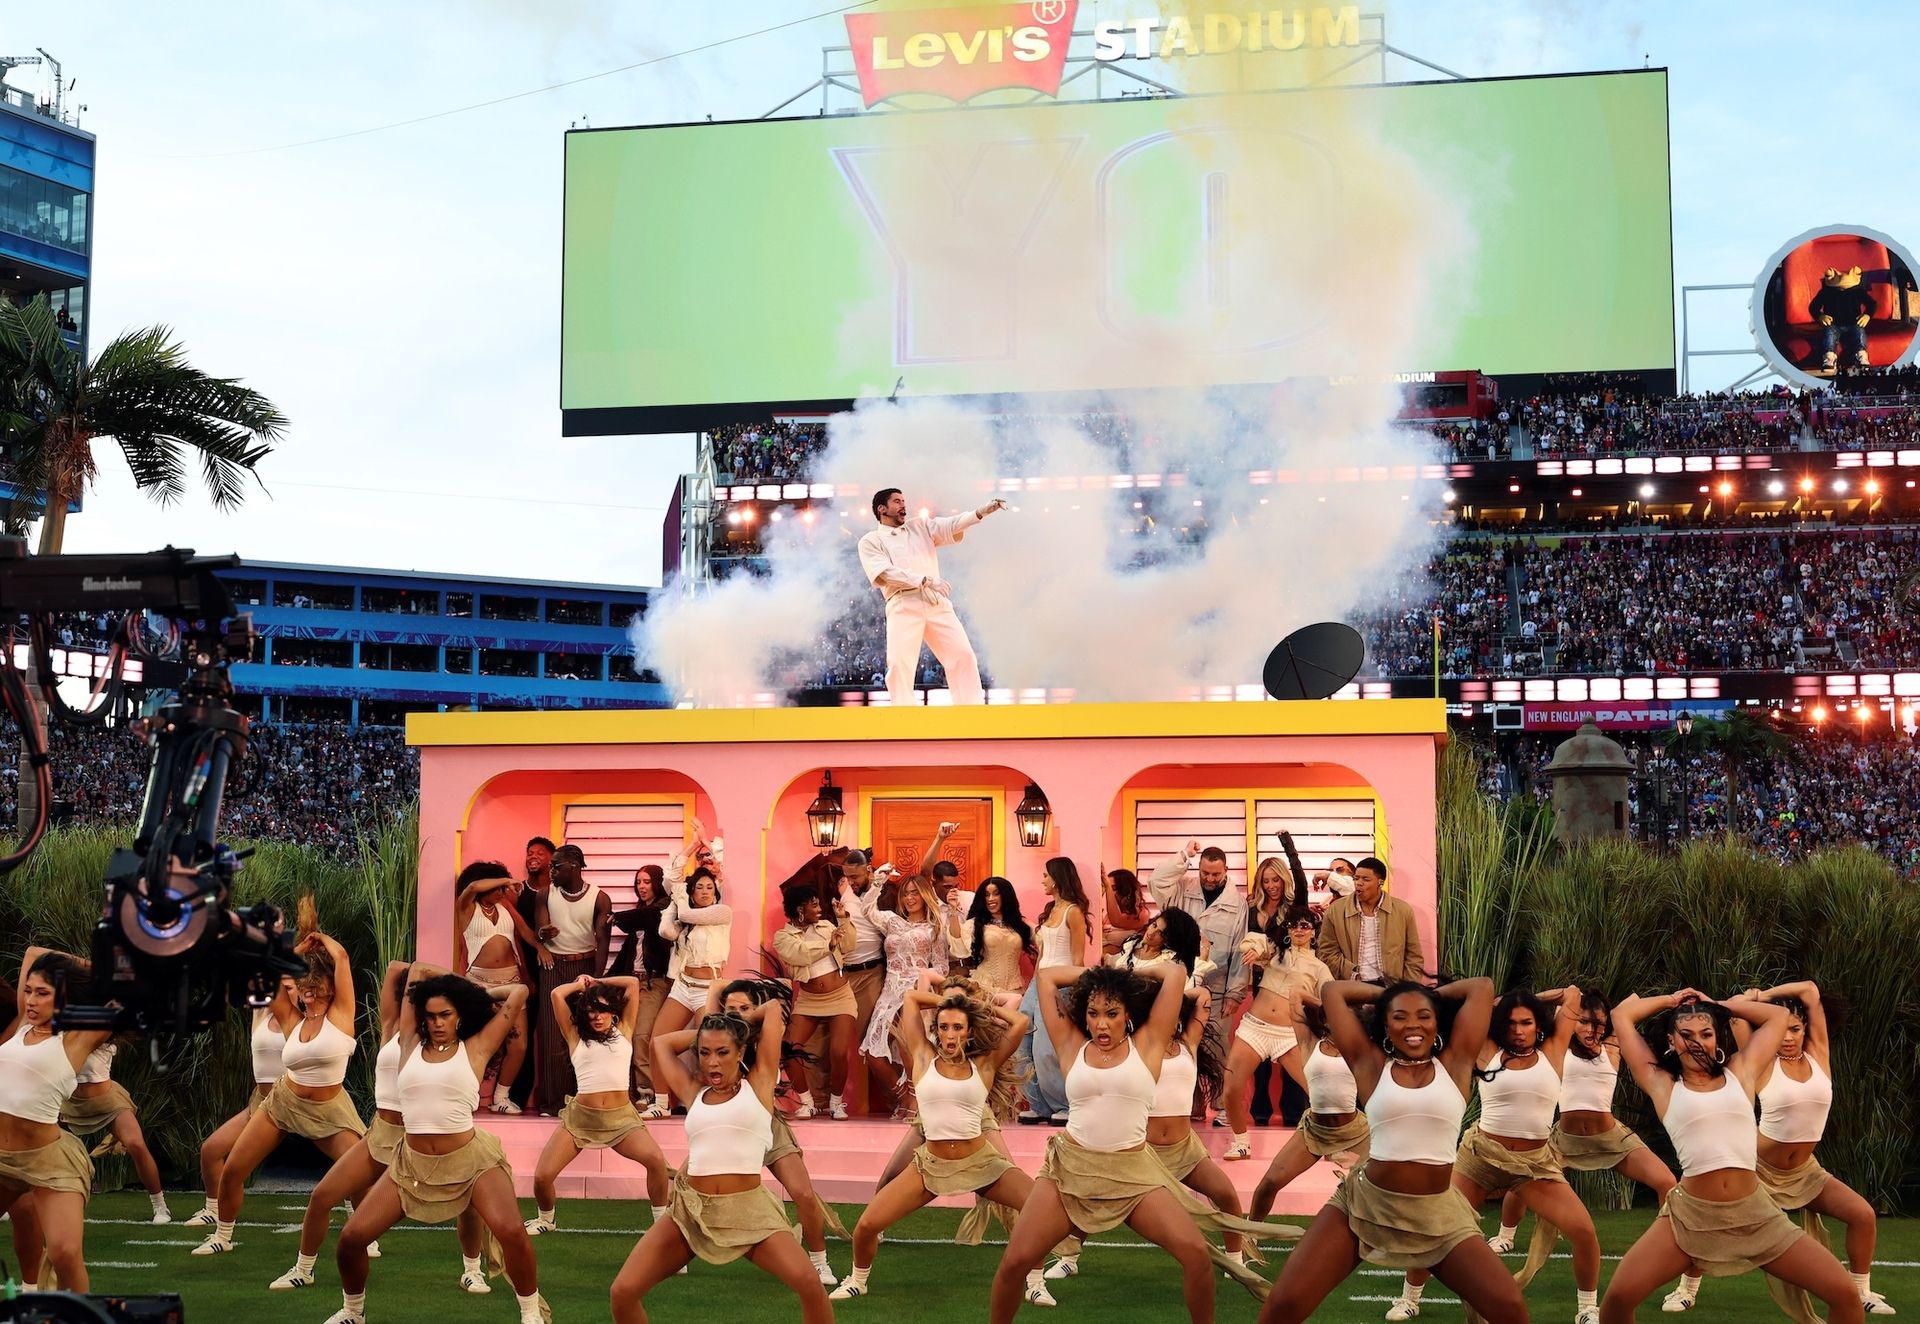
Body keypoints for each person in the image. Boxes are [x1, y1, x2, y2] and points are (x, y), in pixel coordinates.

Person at [990, 961, 1288, 1322]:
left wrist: (1122, 978)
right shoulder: (1070, 1044)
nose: (1102, 1023)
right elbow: (1046, 977)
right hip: (1069, 1170)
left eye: (1112, 1013)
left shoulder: (1148, 1043)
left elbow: (1175, 974)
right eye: (1094, 1013)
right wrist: (1103, 977)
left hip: (1133, 1173)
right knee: (1014, 1262)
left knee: (1196, 1255)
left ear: (1127, 1013)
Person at [1257, 976, 1529, 1324]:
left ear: (1437, 1022)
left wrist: (1419, 995)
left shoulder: (1456, 1062)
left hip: (1437, 1213)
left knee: (1510, 1309)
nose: (1413, 1024)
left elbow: (1482, 988)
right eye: (1400, 1017)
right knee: (1283, 1304)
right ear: (1385, 1025)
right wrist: (1394, 996)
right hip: (1365, 1204)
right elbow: (1332, 992)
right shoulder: (1370, 1065)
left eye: (1423, 1016)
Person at [1598, 989, 1862, 1324]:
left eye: (1706, 1034)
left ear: (1717, 1038)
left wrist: (1717, 1006)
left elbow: (1778, 1017)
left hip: (1756, 1213)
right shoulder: (1661, 1083)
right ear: (1671, 1041)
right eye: (1686, 1035)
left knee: (1845, 1294)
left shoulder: (1742, 1071)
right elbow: (1622, 1015)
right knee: (1618, 1298)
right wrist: (1672, 1000)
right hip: (1690, 1217)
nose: (1697, 1042)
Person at [324, 972, 545, 1324]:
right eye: (431, 1016)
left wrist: (473, 994)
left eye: (445, 1014)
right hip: (411, 1164)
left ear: (459, 1015)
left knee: (512, 1231)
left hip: (472, 1161)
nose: (437, 1022)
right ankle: (353, 1312)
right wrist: (448, 995)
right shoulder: (409, 1043)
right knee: (351, 1238)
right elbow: (412, 975)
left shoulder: (477, 1047)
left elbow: (518, 992)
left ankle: (531, 1314)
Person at [1662, 981, 1891, 1317]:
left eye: (1795, 1029)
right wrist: (1716, 1003)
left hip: (1806, 1172)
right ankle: (1686, 1289)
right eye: (1782, 1029)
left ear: (1806, 1029)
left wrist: (1764, 995)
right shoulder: (1762, 1061)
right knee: (1714, 1223)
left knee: (1863, 1215)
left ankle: (1861, 1291)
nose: (1787, 1037)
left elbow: (1810, 990)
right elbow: (1735, 1013)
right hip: (1757, 1170)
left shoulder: (1819, 1056)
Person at [608, 985, 832, 1324]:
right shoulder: (692, 1091)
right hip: (691, 1211)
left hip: (748, 1211)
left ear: (741, 1051)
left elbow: (773, 1009)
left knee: (810, 1286)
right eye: (704, 1052)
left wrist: (735, 1023)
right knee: (622, 1292)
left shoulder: (759, 1083)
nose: (712, 1061)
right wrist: (712, 1030)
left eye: (723, 1052)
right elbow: (661, 1044)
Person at [1384, 986, 1604, 1324]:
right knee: (1436, 1226)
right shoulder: (1487, 1050)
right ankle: (1409, 1299)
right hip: (1481, 1157)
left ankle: (1587, 1309)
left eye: (1526, 1022)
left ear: (1538, 1024)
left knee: (1584, 1231)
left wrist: (1527, 998)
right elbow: (1475, 1005)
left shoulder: (1554, 1049)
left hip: (1534, 1164)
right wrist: (1502, 1004)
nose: (1518, 1030)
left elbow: (1572, 995)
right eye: (1511, 1023)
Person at [831, 980, 1033, 1301]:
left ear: (968, 1032)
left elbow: (1020, 1021)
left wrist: (973, 1007)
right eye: (944, 1027)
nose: (950, 1034)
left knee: (1037, 1208)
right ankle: (857, 1280)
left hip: (980, 1162)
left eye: (958, 1028)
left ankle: (1035, 1282)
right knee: (866, 1225)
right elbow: (911, 997)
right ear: (936, 1030)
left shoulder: (984, 1064)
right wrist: (950, 1004)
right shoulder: (923, 1056)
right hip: (931, 1165)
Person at [194, 902, 365, 1257]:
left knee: (359, 1172)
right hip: (283, 1103)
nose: (309, 989)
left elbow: (343, 958)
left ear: (331, 986)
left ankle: (365, 1233)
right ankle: (223, 1235)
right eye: (304, 983)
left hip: (328, 1109)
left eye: (316, 983)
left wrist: (319, 940)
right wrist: (294, 952)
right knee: (234, 1168)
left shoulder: (341, 1016)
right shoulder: (292, 1019)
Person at [1495, 985, 1674, 1290]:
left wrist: (1672, 999)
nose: (1593, 1029)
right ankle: (1505, 1236)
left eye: (1599, 1023)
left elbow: (1631, 1005)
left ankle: (1668, 1242)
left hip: (1609, 1137)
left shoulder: (1613, 1045)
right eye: (1585, 1021)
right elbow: (1507, 1004)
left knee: (1667, 1181)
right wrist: (1550, 997)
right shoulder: (1557, 1044)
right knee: (1520, 1180)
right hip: (1565, 1138)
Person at [715, 978, 847, 1287]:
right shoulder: (714, 1040)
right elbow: (712, 993)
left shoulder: (766, 1038)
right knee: (694, 1192)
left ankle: (819, 1263)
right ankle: (675, 1251)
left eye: (745, 1008)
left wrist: (743, 1019)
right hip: (725, 1126)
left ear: (756, 1009)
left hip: (766, 1123)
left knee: (803, 1193)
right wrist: (726, 1017)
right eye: (731, 1009)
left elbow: (774, 1007)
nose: (737, 1015)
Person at [0, 947, 117, 1291]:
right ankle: (31, 1294)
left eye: (43, 993)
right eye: (28, 991)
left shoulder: (78, 1038)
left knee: (65, 1253)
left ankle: (82, 1313)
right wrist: (73, 966)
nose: (31, 1000)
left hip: (50, 1161)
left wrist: (92, 970)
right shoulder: (22, 1026)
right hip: (2, 1159)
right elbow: (33, 952)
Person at [523, 974, 671, 1237]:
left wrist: (597, 981)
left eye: (603, 1010)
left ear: (613, 1012)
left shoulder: (624, 1029)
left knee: (656, 1161)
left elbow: (632, 983)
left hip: (621, 1119)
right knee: (542, 1177)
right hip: (581, 1118)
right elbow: (557, 995)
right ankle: (546, 1219)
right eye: (591, 1011)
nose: (597, 1017)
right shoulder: (575, 1036)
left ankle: (661, 1223)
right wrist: (580, 986)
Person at [856, 486, 1007, 706]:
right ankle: (903, 714)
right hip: (903, 603)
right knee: (899, 664)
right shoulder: (870, 541)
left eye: (904, 501)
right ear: (882, 509)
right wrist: (924, 579)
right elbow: (885, 573)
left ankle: (971, 710)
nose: (903, 505)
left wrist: (980, 512)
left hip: (935, 601)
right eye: (897, 501)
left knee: (963, 655)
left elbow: (952, 524)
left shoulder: (920, 526)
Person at [844, 866, 967, 1115]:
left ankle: (916, 1100)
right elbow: (868, 910)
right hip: (889, 991)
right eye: (906, 894)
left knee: (907, 1044)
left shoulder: (934, 928)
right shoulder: (892, 921)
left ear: (924, 895)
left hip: (915, 991)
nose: (910, 898)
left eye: (915, 893)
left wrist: (922, 984)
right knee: (872, 1052)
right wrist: (878, 881)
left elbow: (941, 968)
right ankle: (905, 1097)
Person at [1223, 894, 1333, 1162]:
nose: (1299, 930)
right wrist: (1254, 949)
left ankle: (1332, 1141)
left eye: (1305, 925)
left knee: (1318, 1092)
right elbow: (1253, 941)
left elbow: (1329, 1002)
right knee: (1231, 1089)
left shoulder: (1319, 967)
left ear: (1313, 931)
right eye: (1293, 925)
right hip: (1254, 1028)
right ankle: (1241, 1143)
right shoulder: (1275, 951)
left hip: (1289, 1035)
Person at [185, 974, 298, 1228]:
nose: (282, 990)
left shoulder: (304, 1021)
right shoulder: (261, 1013)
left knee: (344, 1160)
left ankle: (356, 1216)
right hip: (263, 1103)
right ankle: (213, 1209)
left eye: (289, 987)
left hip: (298, 1103)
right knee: (211, 1150)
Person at [1249, 988, 1370, 1220]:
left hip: (1355, 1133)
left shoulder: (1360, 1048)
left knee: (1377, 1189)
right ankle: (1249, 1233)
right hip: (1314, 1131)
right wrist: (1329, 1005)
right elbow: (1296, 995)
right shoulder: (1309, 1042)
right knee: (1269, 1183)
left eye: (1344, 1016)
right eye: (1334, 1015)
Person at [1149, 842, 1249, 1121]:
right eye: (1205, 872)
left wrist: (1235, 993)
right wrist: (1183, 855)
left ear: (1226, 870)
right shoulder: (1182, 889)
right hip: (1179, 984)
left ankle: (1223, 1106)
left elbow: (1240, 949)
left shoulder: (1237, 903)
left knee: (1218, 1048)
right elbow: (1156, 881)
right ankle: (1190, 1103)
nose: (1210, 879)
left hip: (1217, 988)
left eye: (1216, 874)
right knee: (1182, 1044)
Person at [454, 860, 549, 1114]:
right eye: (496, 887)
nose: (501, 892)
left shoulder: (504, 905)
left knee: (518, 1044)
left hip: (512, 984)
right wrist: (506, 880)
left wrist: (539, 947)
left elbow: (525, 931)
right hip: (478, 985)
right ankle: (465, 1095)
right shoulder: (466, 906)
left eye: (502, 888)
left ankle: (501, 1097)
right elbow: (472, 887)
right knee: (474, 1042)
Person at [530, 844, 612, 1115]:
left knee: (586, 1031)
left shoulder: (599, 898)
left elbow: (603, 942)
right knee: (552, 1033)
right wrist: (543, 934)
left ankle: (584, 1099)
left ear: (574, 867)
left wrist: (596, 979)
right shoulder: (545, 894)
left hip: (585, 966)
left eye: (556, 866)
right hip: (553, 967)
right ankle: (552, 1102)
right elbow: (539, 931)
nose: (551, 871)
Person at [58, 1039, 171, 1223]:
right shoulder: (62, 1031)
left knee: (136, 1144)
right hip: (68, 1101)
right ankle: (14, 1199)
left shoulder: (101, 1031)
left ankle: (160, 1206)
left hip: (106, 1100)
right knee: (32, 1138)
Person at [773, 880, 857, 1120]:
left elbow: (849, 946)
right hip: (809, 1000)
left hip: (840, 996)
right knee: (788, 1049)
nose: (820, 909)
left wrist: (843, 919)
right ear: (800, 909)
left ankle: (836, 1103)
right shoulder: (783, 936)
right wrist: (829, 944)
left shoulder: (827, 926)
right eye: (814, 905)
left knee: (838, 1051)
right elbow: (800, 955)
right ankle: (806, 1102)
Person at [1016, 858, 1089, 1124]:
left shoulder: (1073, 912)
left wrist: (1072, 993)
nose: (1043, 880)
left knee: (1047, 1048)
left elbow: (1078, 959)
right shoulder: (1050, 911)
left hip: (1060, 985)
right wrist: (1032, 986)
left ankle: (1064, 1104)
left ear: (1057, 878)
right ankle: (1038, 1104)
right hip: (1037, 984)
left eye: (1046, 875)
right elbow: (1042, 955)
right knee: (1021, 1042)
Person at [650, 849, 732, 1068]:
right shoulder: (685, 922)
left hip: (708, 990)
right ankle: (666, 1092)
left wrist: (680, 896)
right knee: (657, 1043)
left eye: (710, 887)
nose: (705, 892)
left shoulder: (722, 912)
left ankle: (703, 1090)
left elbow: (686, 912)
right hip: (683, 986)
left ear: (715, 892)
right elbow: (665, 931)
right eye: (699, 887)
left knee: (707, 1049)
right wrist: (675, 901)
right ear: (692, 893)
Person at [606, 865, 675, 1117]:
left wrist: (617, 917)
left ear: (657, 883)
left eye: (647, 882)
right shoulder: (640, 913)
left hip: (653, 983)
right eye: (638, 882)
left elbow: (648, 917)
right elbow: (627, 953)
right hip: (632, 983)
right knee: (623, 1036)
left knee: (642, 1036)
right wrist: (604, 981)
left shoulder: (664, 908)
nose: (642, 886)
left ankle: (649, 1093)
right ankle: (630, 1093)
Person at [1316, 858, 1424, 985]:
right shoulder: (1336, 910)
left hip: (1391, 987)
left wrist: (1407, 989)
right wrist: (1350, 974)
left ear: (1380, 882)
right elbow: (1326, 951)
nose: (1359, 883)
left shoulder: (1403, 911)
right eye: (1356, 878)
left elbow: (1413, 956)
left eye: (1366, 879)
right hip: (1352, 985)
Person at [508, 836, 558, 1113]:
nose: (532, 857)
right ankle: (518, 1096)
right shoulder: (518, 892)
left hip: (556, 968)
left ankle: (554, 1095)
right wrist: (526, 976)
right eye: (529, 852)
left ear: (552, 860)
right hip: (525, 970)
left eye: (539, 853)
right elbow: (517, 934)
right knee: (523, 1034)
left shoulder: (559, 891)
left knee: (554, 1033)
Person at [965, 876, 1034, 1002]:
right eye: (986, 895)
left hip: (1014, 988)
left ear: (1006, 896)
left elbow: (1045, 939)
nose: (990, 899)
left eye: (996, 894)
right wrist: (953, 912)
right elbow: (958, 945)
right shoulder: (975, 924)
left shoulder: (1021, 924)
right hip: (984, 987)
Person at [1101, 868, 1153, 961]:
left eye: (1114, 888)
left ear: (1125, 889)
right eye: (1108, 888)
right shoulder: (1107, 913)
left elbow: (1117, 921)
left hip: (1119, 966)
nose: (1109, 892)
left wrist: (1108, 887)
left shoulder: (1142, 914)